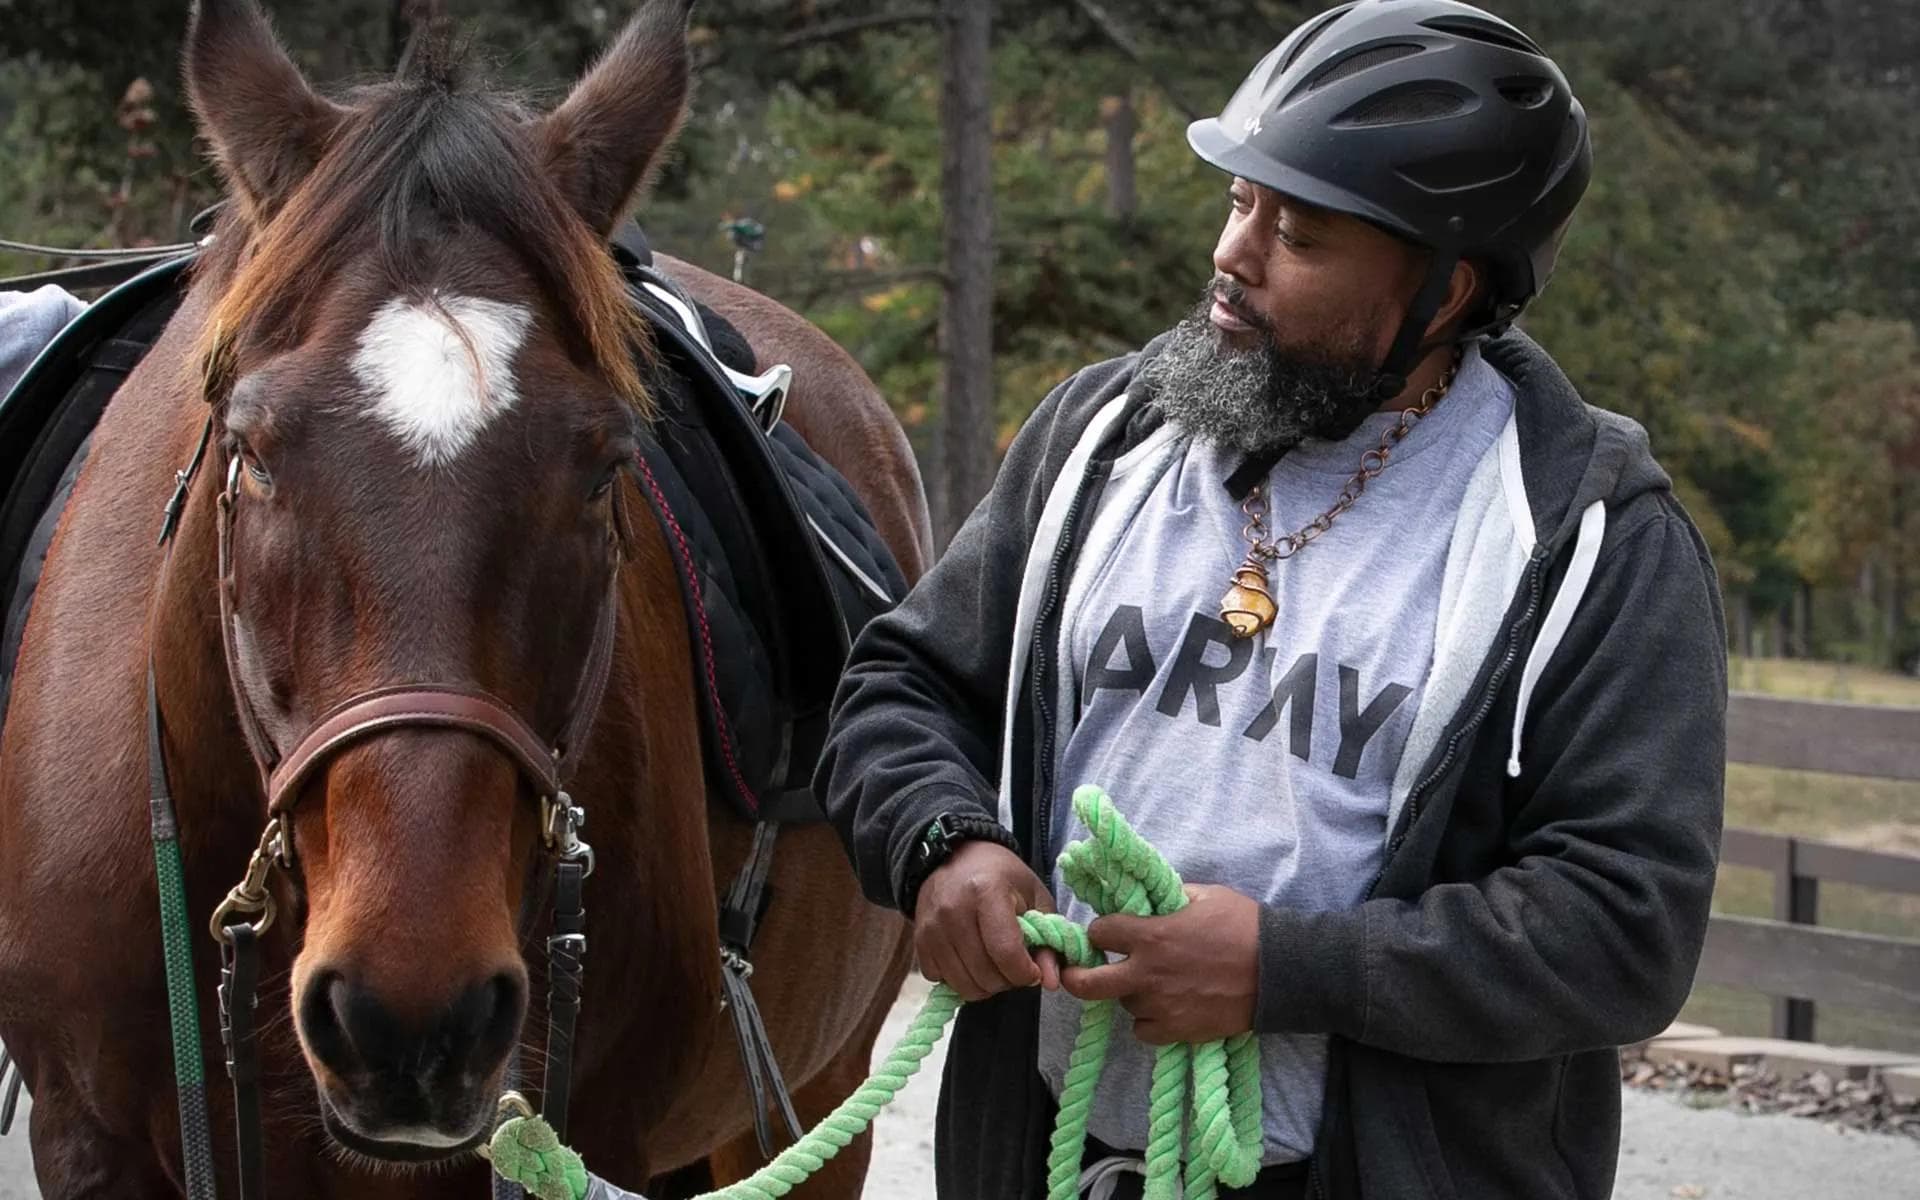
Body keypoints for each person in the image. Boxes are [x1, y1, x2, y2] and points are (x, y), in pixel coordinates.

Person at [815, 2, 1727, 1197]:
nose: (1231, 256)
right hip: (1050, 1156)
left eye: (1299, 234)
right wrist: (942, 842)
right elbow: (901, 684)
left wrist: (1283, 970)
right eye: (1242, 202)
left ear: (1444, 294)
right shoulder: (1103, 440)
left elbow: (1626, 923)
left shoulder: (1593, 539)